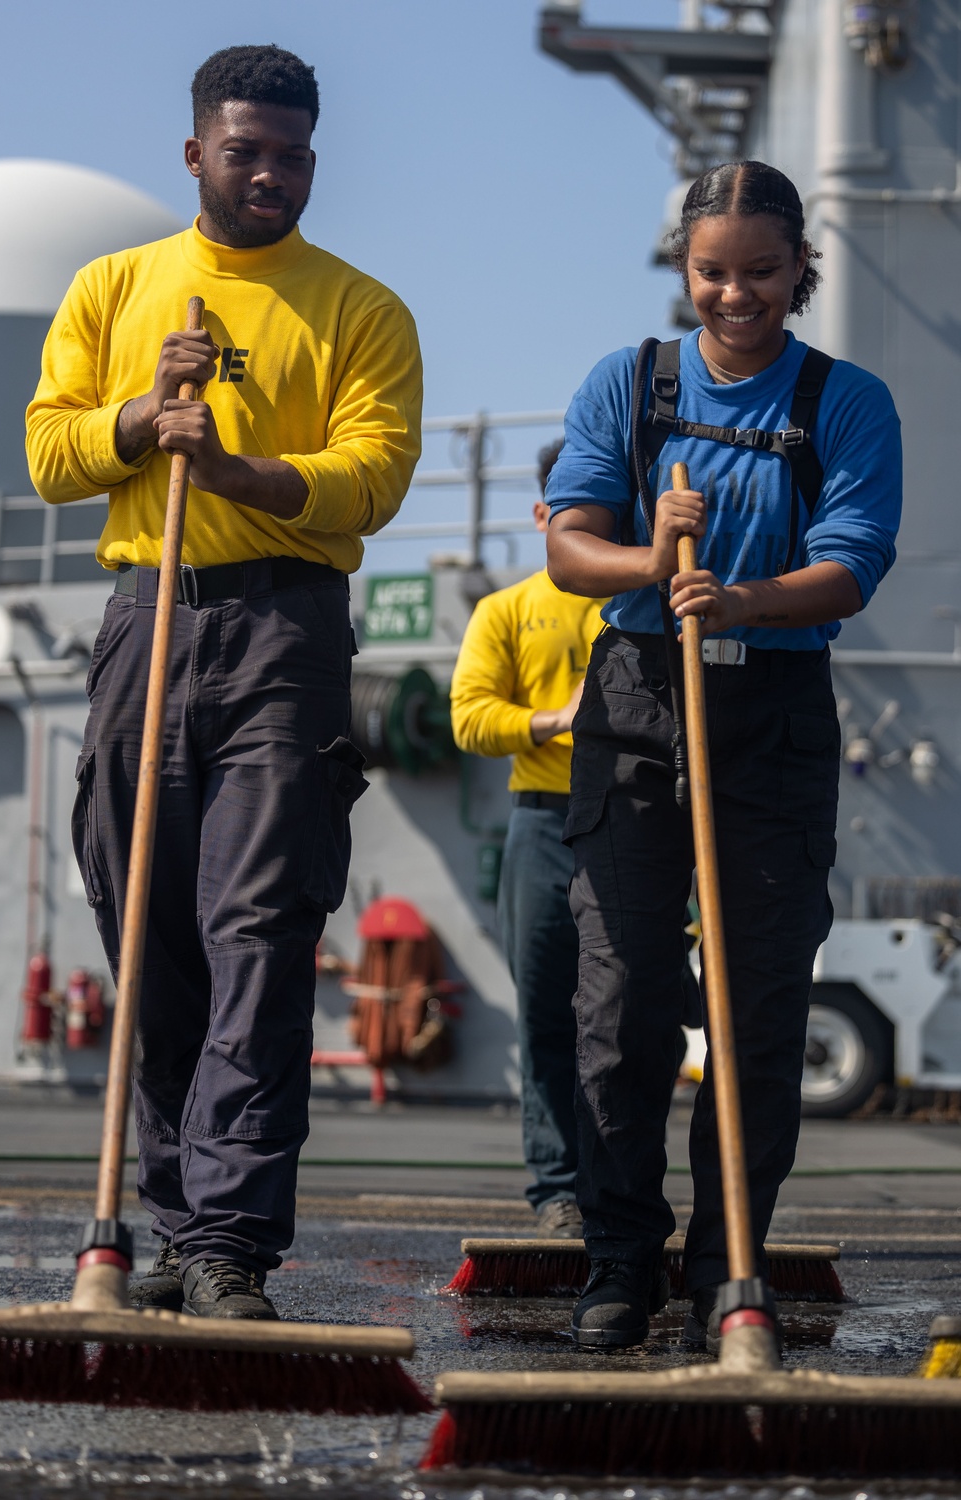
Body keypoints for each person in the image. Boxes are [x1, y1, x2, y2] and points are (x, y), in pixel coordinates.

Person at [26, 45, 422, 1320]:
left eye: (293, 154)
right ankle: (168, 1218)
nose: (272, 174)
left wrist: (239, 464)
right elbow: (48, 452)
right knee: (145, 934)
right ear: (195, 151)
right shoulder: (116, 285)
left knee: (257, 932)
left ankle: (230, 1249)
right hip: (147, 620)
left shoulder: (360, 308)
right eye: (246, 150)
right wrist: (143, 423)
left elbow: (371, 480)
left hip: (284, 634)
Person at [545, 160, 900, 1349]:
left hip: (774, 708)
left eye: (760, 271)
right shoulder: (628, 384)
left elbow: (849, 565)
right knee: (623, 997)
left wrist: (739, 599)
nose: (735, 294)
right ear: (682, 267)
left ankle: (725, 1262)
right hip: (639, 700)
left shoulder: (847, 402)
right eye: (712, 271)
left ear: (800, 267)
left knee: (755, 1007)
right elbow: (568, 548)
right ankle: (617, 1258)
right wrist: (652, 565)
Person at [450, 442, 606, 1237]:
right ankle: (557, 1191)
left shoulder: (641, 601)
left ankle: (619, 1180)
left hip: (634, 818)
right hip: (542, 819)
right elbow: (470, 718)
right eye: (568, 506)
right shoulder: (505, 611)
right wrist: (556, 719)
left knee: (624, 1013)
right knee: (546, 1010)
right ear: (545, 516)